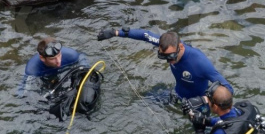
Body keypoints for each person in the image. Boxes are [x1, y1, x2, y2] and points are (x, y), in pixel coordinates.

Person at [96, 27, 233, 106]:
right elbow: (145, 35)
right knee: (138, 102)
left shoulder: (200, 63)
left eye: (171, 57)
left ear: (180, 47)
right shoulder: (167, 47)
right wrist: (115, 33)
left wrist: (203, 100)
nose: (169, 62)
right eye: (164, 57)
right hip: (176, 94)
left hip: (197, 104)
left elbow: (229, 88)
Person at [17, 37, 87, 97]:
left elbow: (81, 56)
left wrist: (84, 69)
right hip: (44, 78)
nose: (58, 61)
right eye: (52, 59)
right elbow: (22, 91)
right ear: (42, 58)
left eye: (59, 55)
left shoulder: (71, 55)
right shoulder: (32, 69)